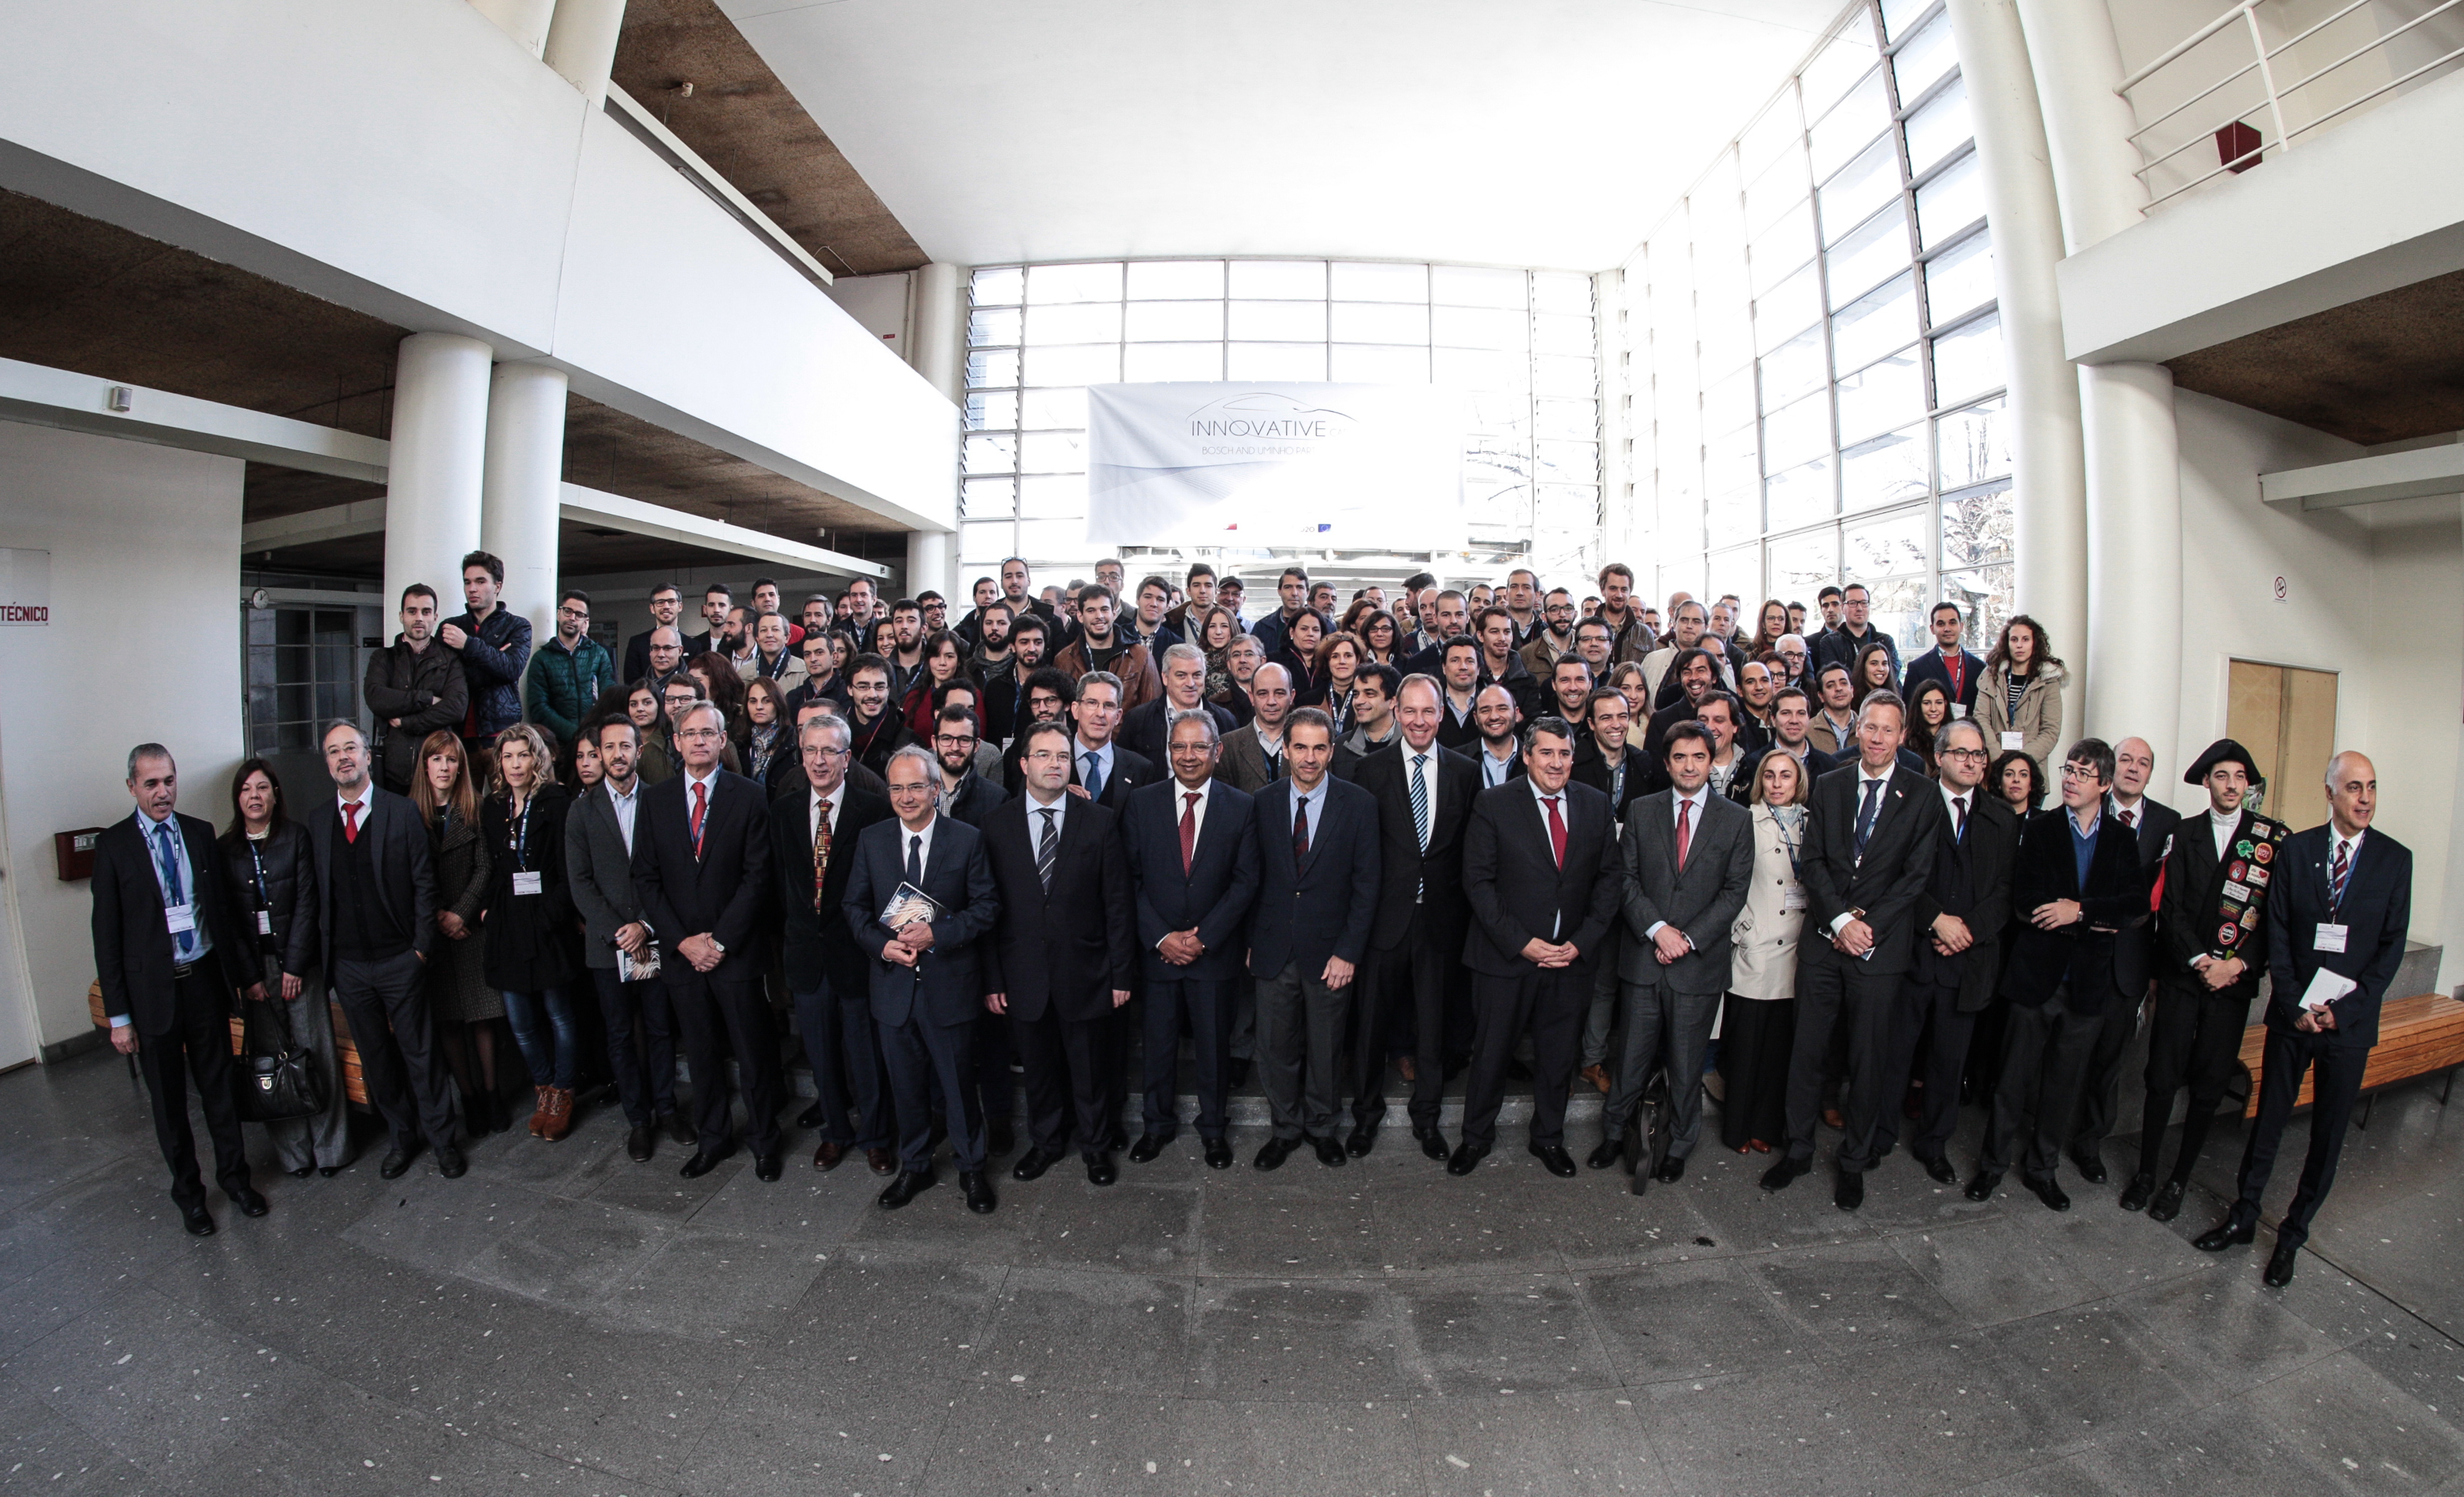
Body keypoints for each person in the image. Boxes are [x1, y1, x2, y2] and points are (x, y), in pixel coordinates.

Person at [2193, 751, 2410, 1286]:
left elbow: (2389, 952)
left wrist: (2342, 1013)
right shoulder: (2298, 850)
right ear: (2329, 792)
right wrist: (2292, 1005)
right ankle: (2244, 1215)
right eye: (2354, 788)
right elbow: (2279, 933)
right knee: (2267, 1121)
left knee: (2327, 1136)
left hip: (2348, 1026)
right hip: (2294, 1018)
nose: (2364, 798)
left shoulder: (2394, 859)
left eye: (2371, 787)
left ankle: (2291, 1234)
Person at [1761, 691, 1943, 1211]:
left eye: (1889, 730)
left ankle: (1854, 1161)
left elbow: (1914, 878)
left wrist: (1868, 928)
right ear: (1856, 730)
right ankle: (1796, 1150)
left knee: (1868, 1061)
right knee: (1806, 1053)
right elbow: (1813, 862)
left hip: (1878, 953)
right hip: (1823, 944)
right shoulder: (1830, 783)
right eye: (1870, 728)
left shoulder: (1922, 795)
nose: (1879, 738)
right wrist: (1840, 920)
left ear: (1902, 736)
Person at [1964, 739, 2154, 1212]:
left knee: (2061, 1086)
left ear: (2105, 785)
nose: (2069, 778)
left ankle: (2041, 1170)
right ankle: (1990, 1167)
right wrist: (2093, 916)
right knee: (2012, 1080)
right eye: (2067, 769)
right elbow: (2027, 900)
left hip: (2087, 983)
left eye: (2082, 773)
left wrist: (2079, 910)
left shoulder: (2120, 838)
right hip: (2035, 979)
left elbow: (2133, 906)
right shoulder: (2039, 829)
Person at [94, 744, 266, 1234]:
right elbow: (106, 938)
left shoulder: (199, 833)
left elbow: (222, 912)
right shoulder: (115, 847)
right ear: (132, 788)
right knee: (170, 1105)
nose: (162, 791)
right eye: (150, 783)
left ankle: (235, 1180)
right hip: (153, 998)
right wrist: (119, 1017)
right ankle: (190, 1196)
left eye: (168, 780)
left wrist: (242, 977)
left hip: (203, 985)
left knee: (220, 1092)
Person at [1452, 715, 1623, 1178]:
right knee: (1490, 1055)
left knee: (1556, 1057)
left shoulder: (1594, 803)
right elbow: (1478, 883)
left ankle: (1547, 1138)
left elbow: (1610, 882)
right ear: (1526, 756)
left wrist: (1580, 943)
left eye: (1564, 753)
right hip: (1505, 958)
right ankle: (1475, 1138)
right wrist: (1522, 943)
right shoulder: (1493, 804)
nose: (1555, 762)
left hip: (1569, 960)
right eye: (1545, 752)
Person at [2125, 739, 2287, 1218]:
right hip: (2182, 976)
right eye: (2221, 776)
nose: (2231, 785)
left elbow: (2272, 915)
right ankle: (2147, 1173)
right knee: (2160, 1079)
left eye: (2239, 777)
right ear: (2207, 782)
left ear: (2248, 784)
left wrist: (2235, 965)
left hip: (2231, 985)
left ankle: (2177, 1181)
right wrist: (2200, 960)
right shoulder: (2184, 832)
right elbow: (2169, 909)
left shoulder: (2268, 840)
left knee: (2210, 1086)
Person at [1591, 721, 1754, 1187]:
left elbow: (1733, 892)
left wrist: (1686, 938)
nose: (1688, 766)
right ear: (1666, 763)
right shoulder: (1641, 812)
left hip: (1697, 965)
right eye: (1679, 758)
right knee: (1631, 1058)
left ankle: (1679, 1146)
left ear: (1710, 760)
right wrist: (1659, 931)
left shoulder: (1735, 819)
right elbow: (1624, 879)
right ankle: (1612, 1136)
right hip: (1644, 959)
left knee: (1686, 1065)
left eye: (1697, 757)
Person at [843, 744, 1003, 1213]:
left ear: (936, 788)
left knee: (956, 1087)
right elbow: (853, 908)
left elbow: (987, 908)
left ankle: (972, 1170)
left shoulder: (966, 839)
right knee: (906, 1089)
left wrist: (938, 933)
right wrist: (881, 945)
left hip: (949, 986)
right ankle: (914, 1166)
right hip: (892, 990)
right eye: (897, 787)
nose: (907, 796)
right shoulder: (872, 841)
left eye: (916, 786)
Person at [631, 700, 783, 1181]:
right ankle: (713, 1139)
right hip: (682, 957)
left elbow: (758, 878)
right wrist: (682, 943)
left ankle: (763, 1141)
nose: (699, 740)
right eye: (690, 733)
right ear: (675, 743)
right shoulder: (654, 801)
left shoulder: (750, 795)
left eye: (709, 733)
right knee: (700, 1054)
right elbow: (647, 880)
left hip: (735, 953)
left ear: (723, 741)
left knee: (753, 1052)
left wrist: (718, 942)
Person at [982, 721, 1137, 1186]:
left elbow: (1117, 906)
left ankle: (1095, 1146)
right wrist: (992, 980)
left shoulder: (1100, 821)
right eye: (1044, 756)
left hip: (1086, 971)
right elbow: (989, 911)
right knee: (1039, 1069)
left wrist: (1121, 976)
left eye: (1062, 757)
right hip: (1022, 975)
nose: (1054, 764)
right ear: (1024, 764)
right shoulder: (995, 825)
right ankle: (1046, 1142)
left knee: (1090, 1068)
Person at [311, 721, 462, 1179]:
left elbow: (424, 885)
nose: (343, 757)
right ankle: (402, 1137)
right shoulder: (318, 821)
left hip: (401, 958)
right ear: (328, 762)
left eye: (351, 748)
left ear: (368, 756)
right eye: (334, 751)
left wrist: (419, 949)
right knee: (377, 1059)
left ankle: (443, 1141)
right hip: (350, 967)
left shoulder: (400, 812)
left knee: (422, 1054)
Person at [1335, 676, 1478, 1160]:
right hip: (1382, 921)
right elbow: (1356, 852)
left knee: (1432, 1029)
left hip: (1440, 922)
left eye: (1428, 712)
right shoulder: (1368, 771)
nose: (1419, 721)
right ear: (1396, 712)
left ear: (1441, 714)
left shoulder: (1464, 771)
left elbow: (1466, 853)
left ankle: (1427, 1119)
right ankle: (1366, 1118)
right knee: (1371, 1025)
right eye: (1410, 711)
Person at [1873, 719, 2016, 1184]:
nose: (1971, 763)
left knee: (1947, 1062)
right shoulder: (1908, 805)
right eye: (1961, 754)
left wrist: (1966, 930)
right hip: (1911, 955)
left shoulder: (2000, 817)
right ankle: (1877, 1133)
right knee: (1894, 1055)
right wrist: (1935, 919)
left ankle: (1933, 1143)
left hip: (1966, 961)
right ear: (1938, 757)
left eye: (1978, 756)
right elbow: (1889, 876)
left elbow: (2004, 891)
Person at [1123, 709, 1261, 1169]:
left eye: (1198, 746)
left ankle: (1214, 1131)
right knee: (1157, 1048)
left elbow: (1245, 882)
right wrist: (1161, 937)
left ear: (1216, 752)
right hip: (1158, 954)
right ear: (1168, 751)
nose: (1188, 755)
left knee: (1214, 1050)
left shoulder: (1240, 806)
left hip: (1213, 953)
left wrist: (1205, 938)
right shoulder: (1142, 803)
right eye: (1179, 746)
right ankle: (1156, 1127)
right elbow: (1130, 879)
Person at [1244, 709, 1380, 1170]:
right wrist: (1250, 941)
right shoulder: (1261, 802)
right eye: (1299, 747)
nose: (1308, 757)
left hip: (1330, 954)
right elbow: (1250, 879)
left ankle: (1322, 1129)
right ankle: (1284, 1130)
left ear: (1331, 750)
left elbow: (1367, 886)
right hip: (1272, 950)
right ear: (1284, 749)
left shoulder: (1357, 803)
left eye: (1318, 747)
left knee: (1326, 1050)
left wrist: (1348, 951)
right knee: (1275, 1048)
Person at [771, 713, 898, 1175]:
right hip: (806, 955)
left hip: (856, 955)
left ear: (847, 758)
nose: (819, 760)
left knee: (864, 1053)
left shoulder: (874, 809)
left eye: (829, 751)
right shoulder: (784, 809)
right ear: (800, 756)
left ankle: (876, 1136)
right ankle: (835, 1133)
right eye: (811, 751)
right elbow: (780, 881)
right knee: (820, 1053)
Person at [567, 717, 692, 1163]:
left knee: (660, 1029)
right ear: (598, 754)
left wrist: (645, 924)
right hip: (608, 946)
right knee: (619, 1034)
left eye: (626, 746)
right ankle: (638, 1120)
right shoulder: (580, 811)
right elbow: (580, 883)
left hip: (654, 937)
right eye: (608, 747)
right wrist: (620, 932)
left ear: (639, 751)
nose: (617, 754)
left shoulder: (661, 801)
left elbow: (669, 870)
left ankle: (667, 1109)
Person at [219, 758, 349, 1177]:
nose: (254, 797)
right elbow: (229, 921)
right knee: (270, 1061)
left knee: (317, 1052)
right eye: (246, 790)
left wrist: (294, 966)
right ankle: (294, 1154)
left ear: (276, 795)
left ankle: (331, 1149)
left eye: (262, 788)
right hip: (255, 973)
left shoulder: (296, 837)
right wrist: (250, 978)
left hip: (299, 966)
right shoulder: (225, 850)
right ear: (238, 799)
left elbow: (309, 903)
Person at [2067, 734, 2181, 1182]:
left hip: (2129, 964)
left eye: (2145, 763)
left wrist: (2153, 974)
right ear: (2111, 772)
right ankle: (2046, 1131)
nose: (2135, 769)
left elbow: (2165, 904)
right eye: (2127, 760)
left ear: (2151, 773)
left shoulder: (2170, 824)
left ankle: (2090, 1142)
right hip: (2080, 953)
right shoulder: (2086, 808)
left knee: (2109, 1062)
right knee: (2066, 1052)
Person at [479, 723, 583, 1143]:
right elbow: (493, 866)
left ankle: (564, 1091)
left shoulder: (557, 803)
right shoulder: (494, 807)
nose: (515, 764)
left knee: (559, 1014)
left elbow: (566, 870)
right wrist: (487, 910)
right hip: (507, 921)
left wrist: (548, 917)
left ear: (537, 758)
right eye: (508, 756)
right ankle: (544, 1089)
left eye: (523, 755)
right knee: (520, 1020)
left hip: (547, 920)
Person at [406, 731, 503, 1135]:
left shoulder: (474, 807)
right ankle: (469, 1097)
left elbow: (485, 867)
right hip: (432, 931)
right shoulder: (407, 813)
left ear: (461, 766)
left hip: (469, 929)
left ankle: (492, 1094)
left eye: (451, 760)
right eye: (437, 760)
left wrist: (460, 914)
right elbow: (407, 878)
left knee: (482, 1018)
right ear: (425, 766)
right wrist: (438, 917)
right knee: (448, 1021)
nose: (445, 768)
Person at [1721, 749, 1810, 1153]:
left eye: (1785, 776)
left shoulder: (1812, 823)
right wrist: (1742, 933)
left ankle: (1764, 1127)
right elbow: (1728, 881)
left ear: (1798, 782)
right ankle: (1736, 1128)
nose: (1776, 783)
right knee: (1745, 1048)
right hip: (1756, 947)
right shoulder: (1744, 819)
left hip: (1796, 949)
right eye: (1770, 776)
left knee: (1779, 1051)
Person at [364, 583, 469, 793]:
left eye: (426, 612)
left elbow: (456, 708)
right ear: (402, 616)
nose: (419, 618)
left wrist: (407, 721)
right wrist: (427, 699)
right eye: (412, 611)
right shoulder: (383, 658)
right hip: (394, 772)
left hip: (438, 775)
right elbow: (376, 698)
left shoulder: (450, 660)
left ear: (435, 617)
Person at [441, 551, 532, 746]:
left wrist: (467, 645)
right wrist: (494, 659)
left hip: (501, 733)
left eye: (480, 582)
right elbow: (442, 679)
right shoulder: (450, 628)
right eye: (467, 582)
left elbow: (512, 669)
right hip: (458, 732)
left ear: (497, 586)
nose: (472, 589)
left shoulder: (518, 626)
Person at [525, 590, 614, 755]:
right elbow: (539, 707)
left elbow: (609, 699)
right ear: (559, 614)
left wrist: (592, 733)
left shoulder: (599, 654)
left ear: (585, 621)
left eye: (579, 614)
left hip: (594, 743)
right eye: (568, 611)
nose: (572, 618)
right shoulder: (542, 658)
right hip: (557, 746)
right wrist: (574, 733)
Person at [1121, 642, 1237, 766]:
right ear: (1165, 678)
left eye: (1197, 675)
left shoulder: (1225, 720)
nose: (1190, 683)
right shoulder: (1138, 719)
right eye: (1181, 675)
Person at [1976, 614, 2066, 775]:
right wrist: (2000, 759)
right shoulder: (1990, 676)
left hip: (2031, 772)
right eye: (2014, 640)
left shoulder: (2048, 681)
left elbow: (2050, 731)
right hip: (1995, 769)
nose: (2019, 645)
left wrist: (2020, 763)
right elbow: (1981, 719)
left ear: (2034, 643)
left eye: (2025, 640)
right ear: (2007, 643)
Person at [1052, 583, 1162, 709]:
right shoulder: (1063, 660)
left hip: (1126, 729)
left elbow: (1153, 710)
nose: (1099, 616)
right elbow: (1061, 713)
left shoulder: (1141, 657)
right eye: (1091, 610)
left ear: (1114, 614)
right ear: (1080, 616)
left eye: (1104, 609)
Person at [1217, 662, 1294, 793]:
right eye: (1263, 694)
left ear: (1292, 696)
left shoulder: (1306, 744)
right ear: (1251, 697)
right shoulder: (1227, 746)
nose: (1271, 702)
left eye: (1279, 693)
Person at [1901, 602, 1984, 718]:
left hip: (1969, 733)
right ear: (1932, 629)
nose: (1947, 628)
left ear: (1961, 626)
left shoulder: (1980, 668)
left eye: (1952, 623)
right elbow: (1910, 712)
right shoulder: (1917, 668)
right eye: (1941, 624)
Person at [930, 703, 1007, 827]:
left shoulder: (996, 799)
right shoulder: (915, 791)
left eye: (964, 740)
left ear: (976, 745)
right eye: (946, 738)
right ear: (934, 742)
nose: (955, 747)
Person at [1812, 582, 1898, 682]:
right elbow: (1835, 679)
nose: (1859, 608)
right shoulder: (1830, 642)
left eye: (1864, 603)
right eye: (1853, 603)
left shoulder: (1885, 640)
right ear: (1842, 608)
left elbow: (1892, 675)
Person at [844, 654, 911, 778]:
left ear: (889, 689)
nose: (872, 694)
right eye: (863, 687)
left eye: (879, 687)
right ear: (850, 689)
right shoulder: (834, 735)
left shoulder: (909, 742)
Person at [899, 629, 970, 736]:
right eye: (936, 656)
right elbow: (905, 741)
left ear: (959, 661)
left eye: (949, 656)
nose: (942, 663)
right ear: (928, 660)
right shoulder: (914, 698)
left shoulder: (972, 697)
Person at [1333, 662, 1400, 773]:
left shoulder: (1410, 744)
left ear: (1393, 701)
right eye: (1356, 694)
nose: (1359, 701)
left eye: (1369, 694)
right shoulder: (1339, 748)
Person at [1249, 566, 1325, 659]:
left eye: (1300, 587)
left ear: (1308, 592)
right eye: (1288, 587)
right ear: (1279, 591)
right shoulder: (1262, 627)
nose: (1294, 593)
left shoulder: (1325, 625)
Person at [623, 583, 685, 683]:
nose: (666, 607)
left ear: (680, 606)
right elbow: (631, 683)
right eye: (660, 602)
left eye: (671, 602)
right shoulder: (637, 643)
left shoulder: (694, 645)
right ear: (652, 608)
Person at [1595, 563, 1655, 664]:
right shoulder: (1585, 629)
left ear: (1630, 592)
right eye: (1613, 589)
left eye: (1624, 589)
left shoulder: (1644, 633)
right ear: (1602, 591)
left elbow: (1650, 672)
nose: (1619, 595)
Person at [1469, 682, 1524, 790]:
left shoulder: (1534, 760)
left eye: (1502, 709)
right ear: (1476, 717)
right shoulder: (1458, 762)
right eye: (1485, 710)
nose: (1494, 716)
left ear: (1516, 714)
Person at [739, 676, 792, 786]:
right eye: (753, 701)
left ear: (778, 704)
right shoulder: (741, 744)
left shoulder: (793, 740)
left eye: (767, 701)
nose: (759, 707)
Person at [1518, 588, 1577, 677]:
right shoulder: (1526, 654)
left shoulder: (1586, 649)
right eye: (1554, 609)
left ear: (1575, 614)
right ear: (1544, 617)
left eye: (1568, 608)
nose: (1562, 614)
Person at [744, 610, 809, 691]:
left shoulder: (804, 670)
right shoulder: (744, 673)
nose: (769, 635)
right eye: (763, 630)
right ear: (757, 639)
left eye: (775, 630)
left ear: (787, 638)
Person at [1274, 608, 1327, 700]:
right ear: (1292, 632)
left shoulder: (1329, 661)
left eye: (1316, 630)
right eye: (1304, 629)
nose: (1310, 634)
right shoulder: (1275, 662)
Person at [1903, 678, 1952, 776]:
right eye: (1927, 703)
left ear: (1946, 704)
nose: (1933, 709)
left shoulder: (1954, 738)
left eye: (1939, 703)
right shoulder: (1907, 740)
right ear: (1919, 706)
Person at [1807, 663, 1857, 756]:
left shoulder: (1866, 728)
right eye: (1830, 685)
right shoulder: (1807, 731)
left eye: (1844, 683)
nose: (1838, 688)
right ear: (1821, 696)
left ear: (1852, 690)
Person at [1989, 748, 2044, 818]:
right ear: (1999, 782)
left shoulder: (2045, 821)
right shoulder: (1986, 820)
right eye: (2009, 774)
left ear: (2031, 784)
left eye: (2023, 775)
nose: (2016, 779)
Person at [684, 581, 733, 657]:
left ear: (731, 609)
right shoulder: (695, 644)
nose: (716, 610)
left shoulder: (737, 643)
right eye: (711, 605)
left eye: (722, 605)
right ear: (705, 609)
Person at [1849, 639, 1898, 711]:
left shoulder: (1894, 699)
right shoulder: (1851, 700)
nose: (1881, 669)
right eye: (1874, 663)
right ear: (1863, 666)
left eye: (1884, 664)